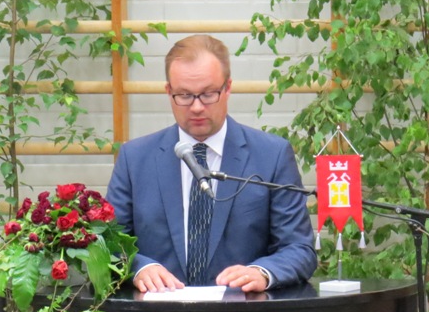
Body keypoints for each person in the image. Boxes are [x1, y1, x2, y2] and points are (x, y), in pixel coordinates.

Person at [106, 34, 317, 293]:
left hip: (242, 310)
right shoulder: (134, 158)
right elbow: (108, 244)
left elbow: (299, 248)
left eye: (208, 94)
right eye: (184, 95)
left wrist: (262, 272)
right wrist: (139, 267)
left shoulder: (271, 155)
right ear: (168, 92)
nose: (196, 107)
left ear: (228, 88)